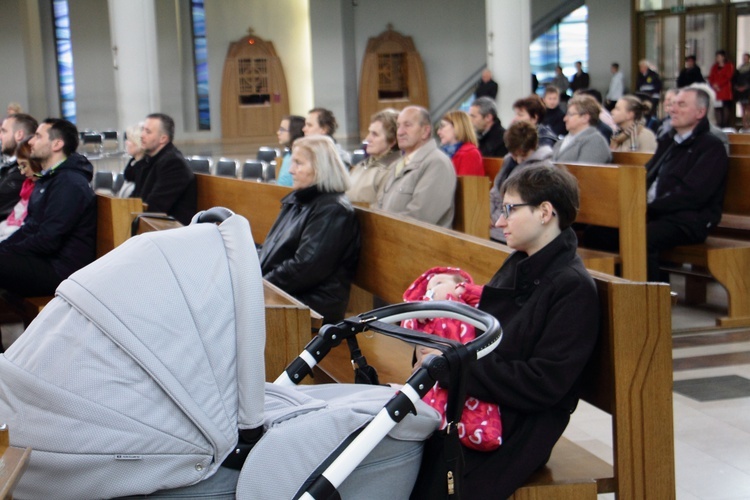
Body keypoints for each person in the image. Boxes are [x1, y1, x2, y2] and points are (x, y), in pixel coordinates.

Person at [414, 164, 600, 497]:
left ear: (545, 212)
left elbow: (544, 383)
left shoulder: (572, 288)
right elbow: (485, 336)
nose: (499, 221)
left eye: (509, 209)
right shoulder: (522, 262)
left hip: (520, 426)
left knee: (431, 478)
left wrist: (452, 367)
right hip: (487, 403)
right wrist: (439, 348)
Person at [259, 135, 360, 324]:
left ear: (321, 168)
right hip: (289, 293)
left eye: (298, 163)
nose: (290, 170)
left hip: (314, 306)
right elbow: (270, 249)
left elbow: (305, 267)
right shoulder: (298, 200)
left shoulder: (333, 210)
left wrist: (261, 286)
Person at [403, 267, 502, 452]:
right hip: (436, 372)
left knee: (473, 405)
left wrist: (463, 290)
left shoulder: (467, 303)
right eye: (429, 288)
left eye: (439, 283)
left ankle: (483, 433)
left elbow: (486, 300)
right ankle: (433, 436)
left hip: (467, 368)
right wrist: (422, 310)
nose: (433, 290)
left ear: (458, 284)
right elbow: (408, 325)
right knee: (434, 404)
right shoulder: (430, 312)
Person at [0, 118, 97, 297]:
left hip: (61, 269)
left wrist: (7, 252)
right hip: (45, 260)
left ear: (57, 144)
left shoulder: (70, 183)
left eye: (37, 136)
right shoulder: (50, 178)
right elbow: (30, 227)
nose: (30, 141)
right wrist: (4, 247)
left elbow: (48, 240)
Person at [644, 87, 728, 281]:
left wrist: (650, 208)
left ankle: (653, 304)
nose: (673, 109)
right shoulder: (668, 141)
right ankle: (615, 296)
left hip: (689, 220)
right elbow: (646, 176)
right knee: (602, 234)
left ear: (700, 112)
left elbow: (694, 194)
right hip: (658, 214)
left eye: (681, 105)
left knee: (641, 237)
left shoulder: (711, 147)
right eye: (672, 104)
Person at [375, 106, 456, 228]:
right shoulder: (398, 163)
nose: (400, 132)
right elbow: (380, 204)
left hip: (419, 243)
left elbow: (420, 218)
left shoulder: (437, 163)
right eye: (398, 126)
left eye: (407, 125)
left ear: (425, 131)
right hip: (390, 237)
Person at [490, 121, 553, 243]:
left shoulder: (541, 168)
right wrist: (486, 214)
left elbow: (520, 203)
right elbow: (495, 192)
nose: (519, 160)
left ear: (533, 147)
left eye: (523, 155)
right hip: (496, 223)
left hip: (514, 227)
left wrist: (494, 219)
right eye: (515, 155)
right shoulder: (508, 161)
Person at [138, 113, 197, 225]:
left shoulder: (174, 163)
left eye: (148, 132)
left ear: (163, 138)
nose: (142, 135)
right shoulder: (151, 159)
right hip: (154, 225)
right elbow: (138, 198)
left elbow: (155, 208)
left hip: (171, 231)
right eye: (143, 130)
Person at [346, 109, 400, 204]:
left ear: (392, 141)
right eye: (369, 132)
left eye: (375, 134)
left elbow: (382, 210)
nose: (367, 139)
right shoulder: (362, 164)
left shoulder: (392, 169)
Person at [0, 137, 42, 242]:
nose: (22, 172)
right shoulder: (29, 186)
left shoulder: (45, 188)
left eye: (24, 166)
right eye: (20, 167)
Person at [551, 94, 612, 163]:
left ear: (585, 118)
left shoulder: (596, 142)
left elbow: (585, 172)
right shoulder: (560, 143)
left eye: (570, 114)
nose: (565, 119)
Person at [0, 113, 37, 219]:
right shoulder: (11, 167)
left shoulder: (23, 172)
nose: (0, 136)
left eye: (4, 131)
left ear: (19, 135)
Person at [437, 110, 484, 176]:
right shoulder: (444, 152)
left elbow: (467, 185)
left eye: (442, 126)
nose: (438, 132)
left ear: (457, 126)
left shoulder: (470, 153)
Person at [276, 115, 305, 187]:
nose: (278, 132)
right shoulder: (288, 155)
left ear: (294, 131)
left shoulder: (303, 157)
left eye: (282, 130)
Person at [708, 50, 735, 127]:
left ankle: (725, 125)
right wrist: (714, 85)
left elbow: (728, 77)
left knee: (725, 108)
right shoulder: (714, 67)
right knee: (718, 109)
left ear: (723, 57)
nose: (717, 58)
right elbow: (711, 77)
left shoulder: (729, 65)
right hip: (716, 92)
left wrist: (719, 84)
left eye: (719, 57)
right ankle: (719, 125)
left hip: (725, 91)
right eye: (717, 57)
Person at [120, 123, 146, 198]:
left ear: (138, 142)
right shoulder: (132, 164)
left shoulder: (144, 170)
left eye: (129, 140)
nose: (126, 142)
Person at [733, 53, 750, 130]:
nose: (744, 59)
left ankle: (748, 124)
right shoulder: (739, 69)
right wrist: (737, 87)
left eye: (746, 58)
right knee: (743, 109)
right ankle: (744, 125)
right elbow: (735, 79)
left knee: (748, 108)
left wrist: (746, 86)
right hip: (741, 92)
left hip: (748, 91)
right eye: (744, 58)